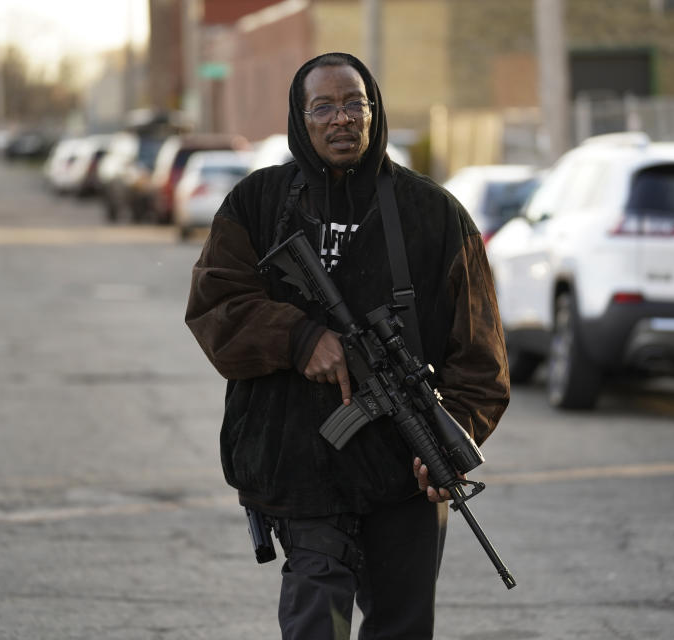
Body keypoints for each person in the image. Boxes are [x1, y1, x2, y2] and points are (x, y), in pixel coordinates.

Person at [185, 52, 509, 639]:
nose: (343, 118)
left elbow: (481, 356)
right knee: (316, 624)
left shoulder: (434, 215)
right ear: (300, 117)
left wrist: (450, 439)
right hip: (300, 465)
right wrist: (298, 337)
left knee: (401, 628)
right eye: (325, 106)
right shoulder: (256, 204)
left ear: (374, 110)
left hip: (404, 476)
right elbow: (215, 308)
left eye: (355, 103)